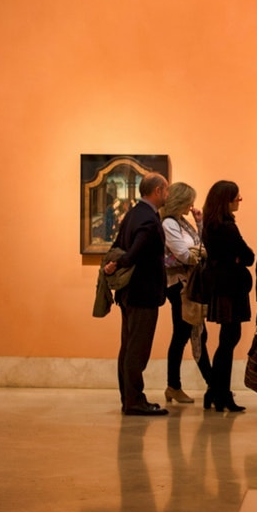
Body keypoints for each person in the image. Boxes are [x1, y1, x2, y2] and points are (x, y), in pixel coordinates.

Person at [103, 172, 169, 416]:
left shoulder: (133, 213)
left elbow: (119, 245)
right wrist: (118, 264)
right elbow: (135, 251)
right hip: (143, 292)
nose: (168, 194)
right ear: (158, 190)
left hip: (130, 292)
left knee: (128, 346)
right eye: (166, 190)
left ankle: (128, 398)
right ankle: (134, 400)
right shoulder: (148, 219)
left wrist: (115, 263)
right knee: (137, 349)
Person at [202, 180, 255, 413]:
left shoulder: (210, 224)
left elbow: (241, 256)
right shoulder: (227, 226)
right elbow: (248, 255)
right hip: (231, 289)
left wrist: (238, 258)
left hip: (220, 287)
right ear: (227, 200)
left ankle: (216, 392)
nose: (239, 200)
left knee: (226, 341)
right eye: (236, 196)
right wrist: (238, 258)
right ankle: (218, 392)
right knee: (229, 341)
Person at [160, 182, 212, 406]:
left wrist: (200, 222)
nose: (192, 204)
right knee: (186, 334)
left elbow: (199, 245)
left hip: (189, 283)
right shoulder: (169, 223)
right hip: (179, 284)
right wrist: (199, 253)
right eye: (189, 200)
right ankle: (176, 385)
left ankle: (182, 385)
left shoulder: (182, 222)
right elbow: (183, 254)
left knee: (194, 333)